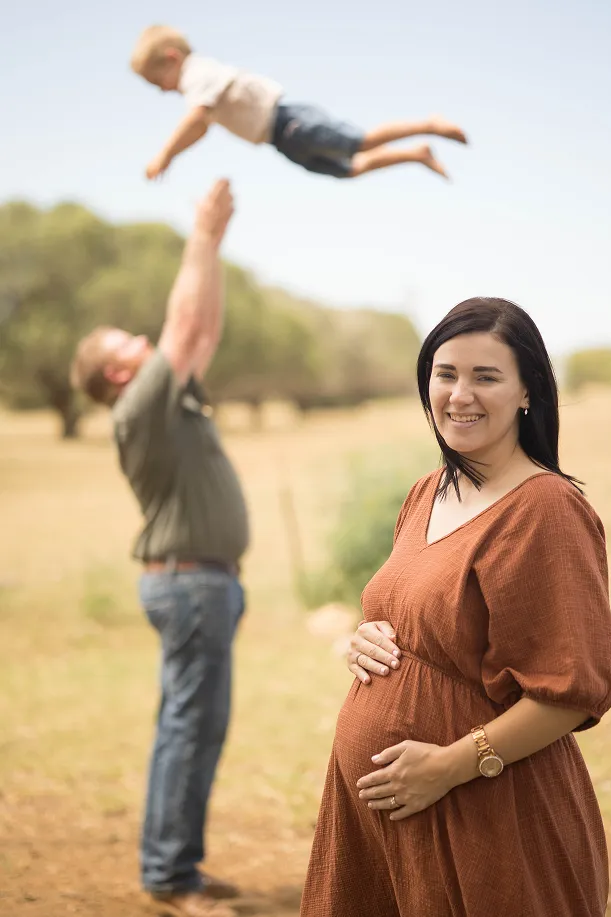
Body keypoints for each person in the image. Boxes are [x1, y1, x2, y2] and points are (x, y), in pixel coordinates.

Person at [300, 297, 611, 917]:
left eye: (486, 377)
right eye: (445, 374)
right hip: (390, 818)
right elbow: (424, 620)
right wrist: (364, 637)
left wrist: (447, 766)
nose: (460, 394)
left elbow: (572, 692)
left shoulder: (546, 511)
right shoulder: (429, 490)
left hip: (486, 816)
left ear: (528, 392)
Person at [71, 180, 247, 917]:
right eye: (128, 346)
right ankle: (170, 878)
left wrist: (215, 251)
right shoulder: (141, 405)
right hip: (190, 587)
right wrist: (200, 236)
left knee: (196, 727)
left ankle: (177, 865)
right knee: (189, 727)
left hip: (204, 587)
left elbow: (198, 332)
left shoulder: (167, 401)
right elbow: (180, 330)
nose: (144, 346)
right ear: (118, 374)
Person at [130, 25, 468, 183]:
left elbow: (196, 121)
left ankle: (429, 124)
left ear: (172, 59)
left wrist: (164, 155)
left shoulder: (195, 73)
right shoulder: (194, 86)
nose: (163, 91)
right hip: (279, 140)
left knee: (359, 142)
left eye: (159, 82)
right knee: (349, 169)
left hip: (288, 121)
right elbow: (199, 129)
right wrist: (172, 155)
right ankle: (416, 153)